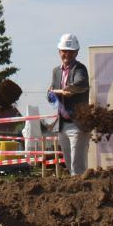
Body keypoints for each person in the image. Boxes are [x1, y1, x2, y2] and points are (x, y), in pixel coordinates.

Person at [47, 33, 91, 175]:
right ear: (59, 52)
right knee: (69, 163)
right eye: (64, 51)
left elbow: (80, 84)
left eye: (71, 51)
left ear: (76, 52)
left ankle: (83, 193)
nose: (67, 54)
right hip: (62, 124)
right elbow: (51, 94)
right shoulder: (56, 71)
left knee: (77, 166)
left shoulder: (80, 69)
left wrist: (66, 90)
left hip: (77, 123)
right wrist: (52, 94)